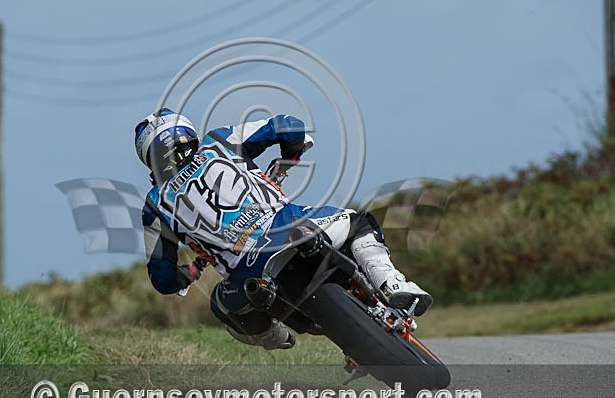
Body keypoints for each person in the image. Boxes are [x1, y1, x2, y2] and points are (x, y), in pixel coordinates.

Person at [136, 108, 432, 350]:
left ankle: (275, 338)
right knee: (358, 223)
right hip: (290, 230)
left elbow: (162, 279)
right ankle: (393, 284)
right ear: (188, 134)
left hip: (247, 278)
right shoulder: (220, 140)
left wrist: (186, 274)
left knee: (221, 306)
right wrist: (291, 154)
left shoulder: (154, 205)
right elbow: (289, 126)